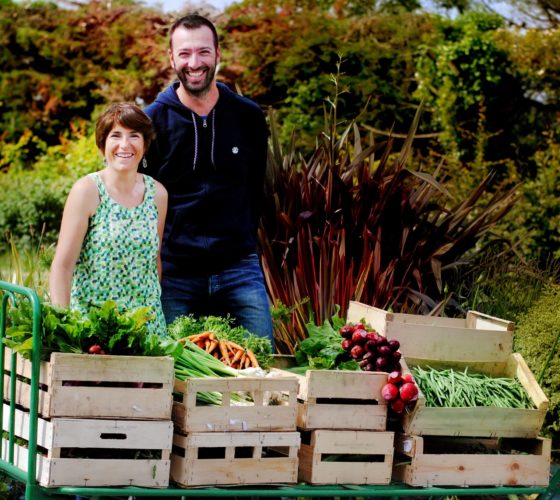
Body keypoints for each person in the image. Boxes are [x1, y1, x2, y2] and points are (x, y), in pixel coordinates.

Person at [143, 14, 274, 343]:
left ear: (217, 54)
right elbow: (141, 195)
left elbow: (256, 188)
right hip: (176, 272)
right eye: (184, 53)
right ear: (171, 58)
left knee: (264, 368)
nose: (194, 63)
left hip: (238, 266)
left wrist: (243, 238)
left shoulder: (248, 117)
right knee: (170, 373)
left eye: (203, 52)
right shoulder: (152, 121)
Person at [49, 102, 168, 336]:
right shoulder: (87, 190)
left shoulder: (158, 194)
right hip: (94, 329)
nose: (125, 145)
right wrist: (64, 327)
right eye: (116, 135)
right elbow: (62, 266)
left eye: (134, 136)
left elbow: (155, 263)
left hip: (146, 330)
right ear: (103, 144)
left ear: (145, 144)